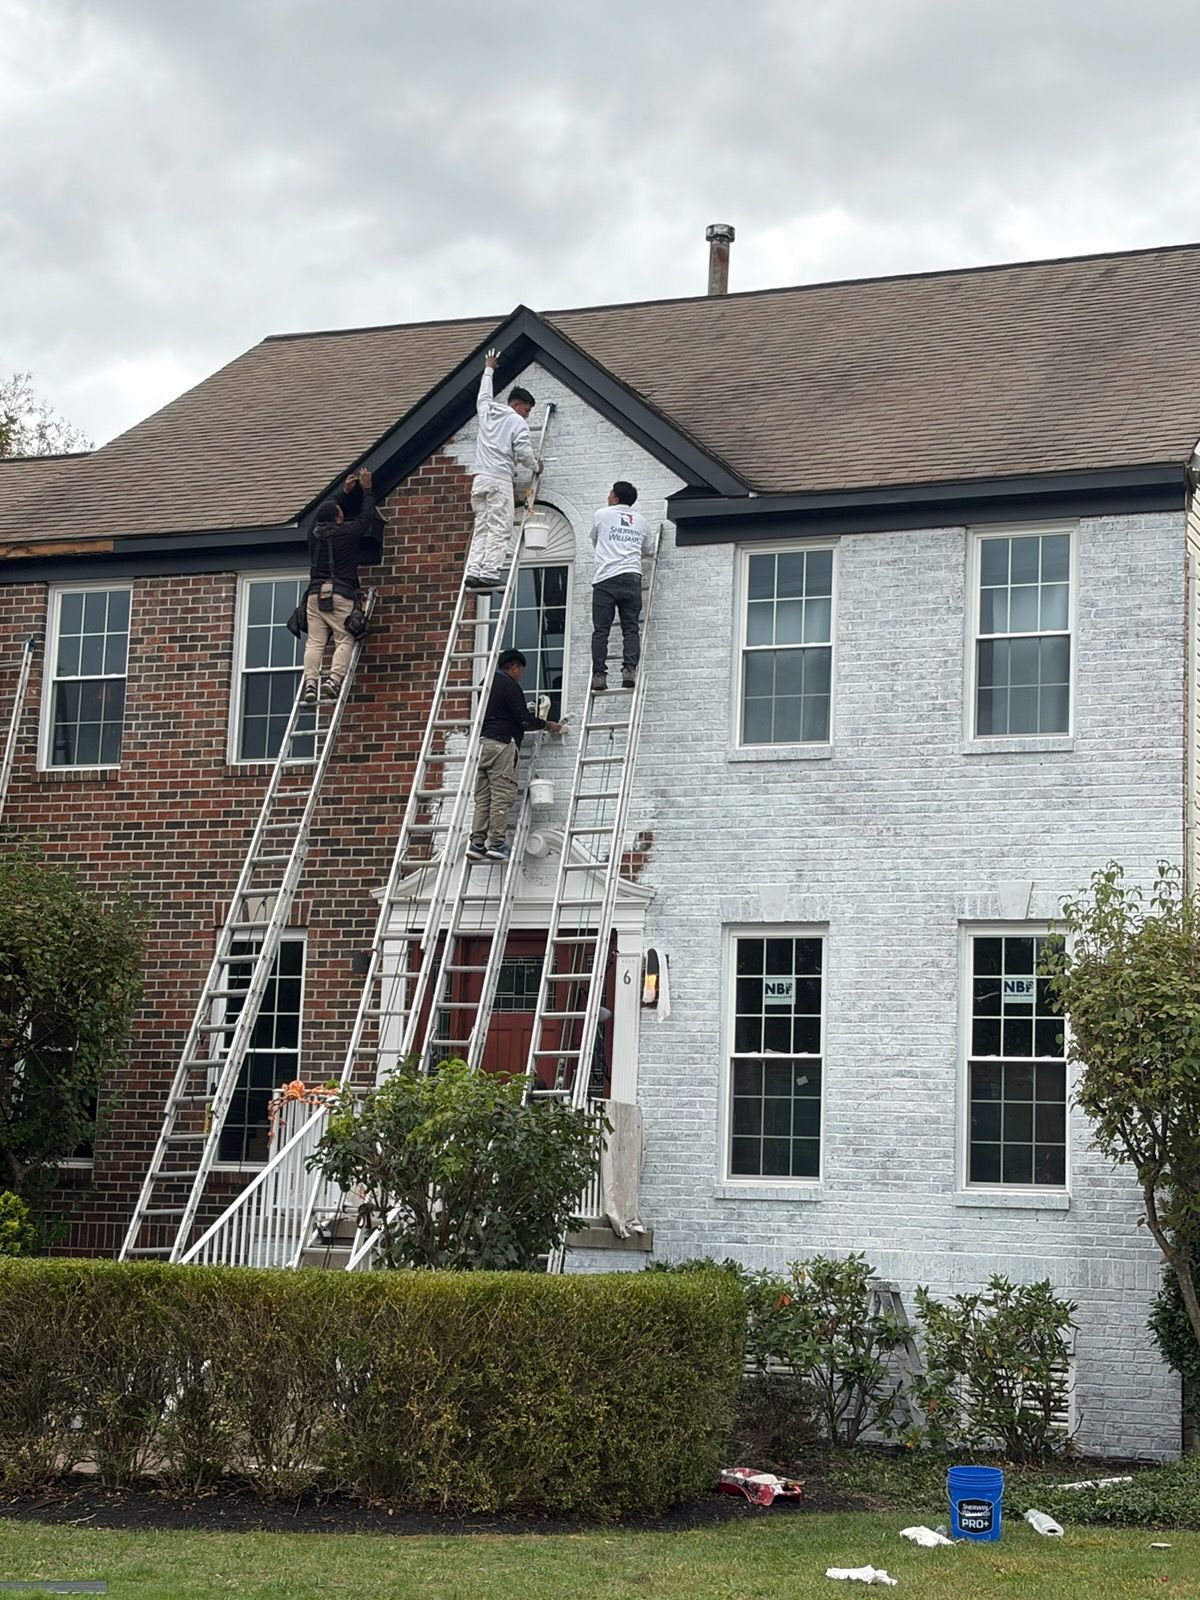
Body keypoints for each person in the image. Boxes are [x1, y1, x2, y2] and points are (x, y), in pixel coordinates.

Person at [467, 648, 562, 863]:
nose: (521, 675)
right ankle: (497, 844)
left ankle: (477, 843)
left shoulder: (485, 684)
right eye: (520, 670)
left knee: (483, 796)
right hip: (503, 745)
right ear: (514, 667)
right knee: (502, 793)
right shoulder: (509, 686)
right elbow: (523, 720)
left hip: (484, 746)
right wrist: (546, 724)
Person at [301, 467, 376, 704]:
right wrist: (367, 490)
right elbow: (366, 517)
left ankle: (310, 684)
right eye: (340, 512)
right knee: (345, 638)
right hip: (340, 593)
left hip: (314, 596)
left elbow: (318, 515)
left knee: (315, 642)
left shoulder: (312, 535)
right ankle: (333, 680)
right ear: (338, 518)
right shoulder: (347, 533)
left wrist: (341, 493)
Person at [464, 350, 537, 591]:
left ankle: (473, 570)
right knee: (499, 528)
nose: (527, 415)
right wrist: (537, 466)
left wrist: (489, 368)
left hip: (480, 482)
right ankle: (489, 572)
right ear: (517, 405)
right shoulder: (517, 422)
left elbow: (484, 392)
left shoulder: (487, 411)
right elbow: (525, 453)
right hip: (499, 481)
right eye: (527, 410)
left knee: (482, 526)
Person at [590, 480, 655, 692]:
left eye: (610, 493)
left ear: (615, 498)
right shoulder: (642, 522)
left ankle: (599, 675)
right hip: (631, 578)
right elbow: (648, 549)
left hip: (606, 579)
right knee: (630, 628)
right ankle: (629, 670)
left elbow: (595, 541)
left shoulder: (602, 514)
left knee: (601, 630)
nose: (608, 496)